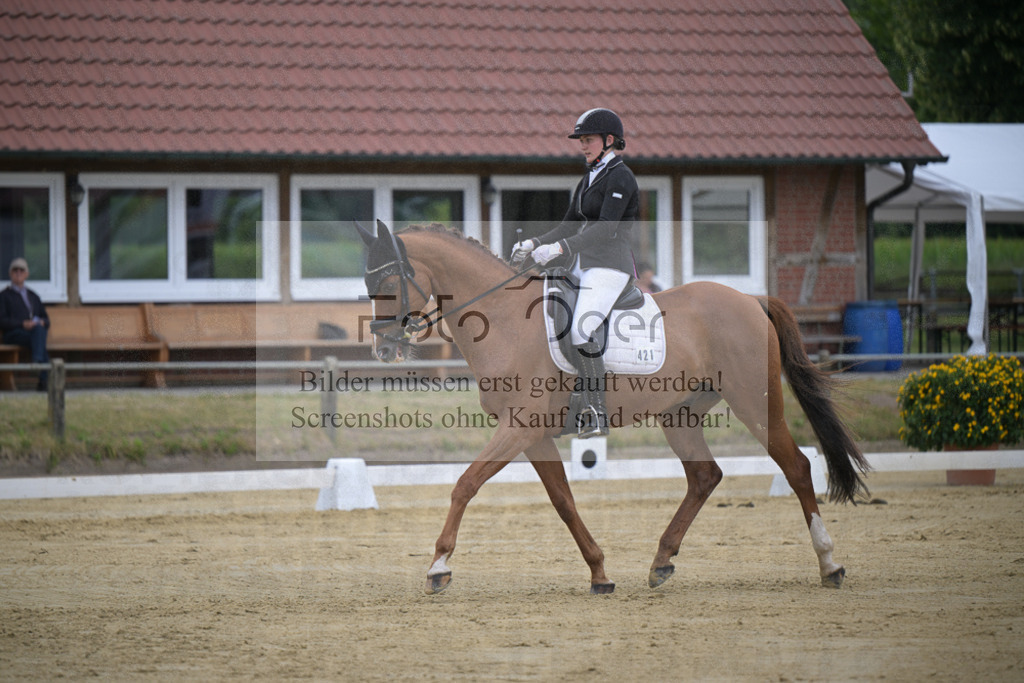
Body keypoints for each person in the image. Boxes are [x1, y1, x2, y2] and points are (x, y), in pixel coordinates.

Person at [511, 108, 639, 437]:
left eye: (588, 140)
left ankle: (595, 410)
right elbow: (569, 224)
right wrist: (534, 241)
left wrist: (561, 249)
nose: (583, 146)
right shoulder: (588, 179)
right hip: (583, 267)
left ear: (609, 140)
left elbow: (605, 228)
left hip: (611, 267)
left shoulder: (620, 176)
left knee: (581, 329)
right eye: (581, 141)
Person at [1, 257, 50, 391]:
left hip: (32, 334)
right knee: (39, 340)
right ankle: (42, 375)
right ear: (10, 274)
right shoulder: (4, 295)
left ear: (26, 274)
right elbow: (2, 320)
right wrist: (23, 324)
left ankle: (38, 364)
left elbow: (46, 319)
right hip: (13, 334)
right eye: (15, 270)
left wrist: (40, 322)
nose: (18, 272)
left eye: (21, 270)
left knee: (39, 330)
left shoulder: (33, 296)